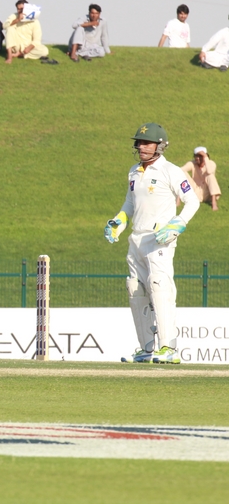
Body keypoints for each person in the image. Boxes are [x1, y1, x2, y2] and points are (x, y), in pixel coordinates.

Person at [104, 123, 200, 364]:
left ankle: (168, 348)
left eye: (146, 143)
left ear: (160, 145)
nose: (141, 147)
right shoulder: (134, 172)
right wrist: (119, 220)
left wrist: (177, 225)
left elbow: (193, 201)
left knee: (159, 287)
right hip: (136, 239)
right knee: (135, 290)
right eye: (139, 142)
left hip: (159, 240)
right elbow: (130, 203)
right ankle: (146, 348)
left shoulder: (171, 171)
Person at [4, 0, 56, 64]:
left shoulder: (35, 21)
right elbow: (4, 26)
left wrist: (28, 48)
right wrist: (17, 20)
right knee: (10, 29)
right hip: (16, 45)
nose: (20, 11)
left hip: (28, 46)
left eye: (22, 9)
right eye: (18, 9)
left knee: (45, 51)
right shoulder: (14, 16)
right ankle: (9, 56)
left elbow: (37, 40)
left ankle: (19, 54)